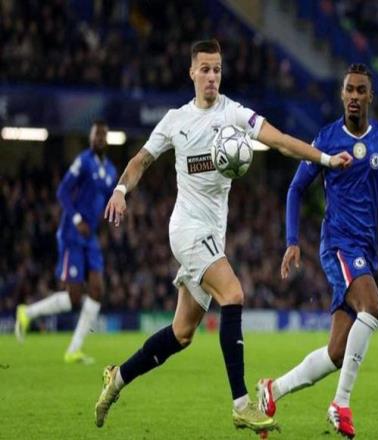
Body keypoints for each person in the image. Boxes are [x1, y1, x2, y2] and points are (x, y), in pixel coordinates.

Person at [94, 39, 352, 434]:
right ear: (192, 72)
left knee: (181, 334)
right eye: (205, 69)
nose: (212, 76)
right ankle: (241, 404)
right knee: (233, 294)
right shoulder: (176, 120)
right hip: (187, 230)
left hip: (212, 234)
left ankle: (118, 378)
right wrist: (120, 190)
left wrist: (327, 159)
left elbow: (280, 141)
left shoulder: (235, 114)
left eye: (217, 69)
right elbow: (140, 161)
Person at [257, 63, 378, 439]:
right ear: (342, 95)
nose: (355, 97)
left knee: (336, 353)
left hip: (366, 249)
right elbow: (296, 188)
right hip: (338, 244)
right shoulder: (326, 139)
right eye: (349, 90)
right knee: (372, 306)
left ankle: (272, 390)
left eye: (361, 90)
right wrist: (292, 240)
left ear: (370, 97)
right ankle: (340, 404)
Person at [15, 120, 117, 364]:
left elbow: (106, 202)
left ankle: (74, 350)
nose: (100, 139)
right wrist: (78, 218)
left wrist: (107, 224)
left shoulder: (111, 170)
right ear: (91, 138)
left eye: (103, 135)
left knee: (97, 290)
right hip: (72, 234)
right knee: (73, 297)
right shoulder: (83, 161)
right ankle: (27, 312)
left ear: (107, 139)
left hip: (90, 237)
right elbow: (62, 192)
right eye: (96, 135)